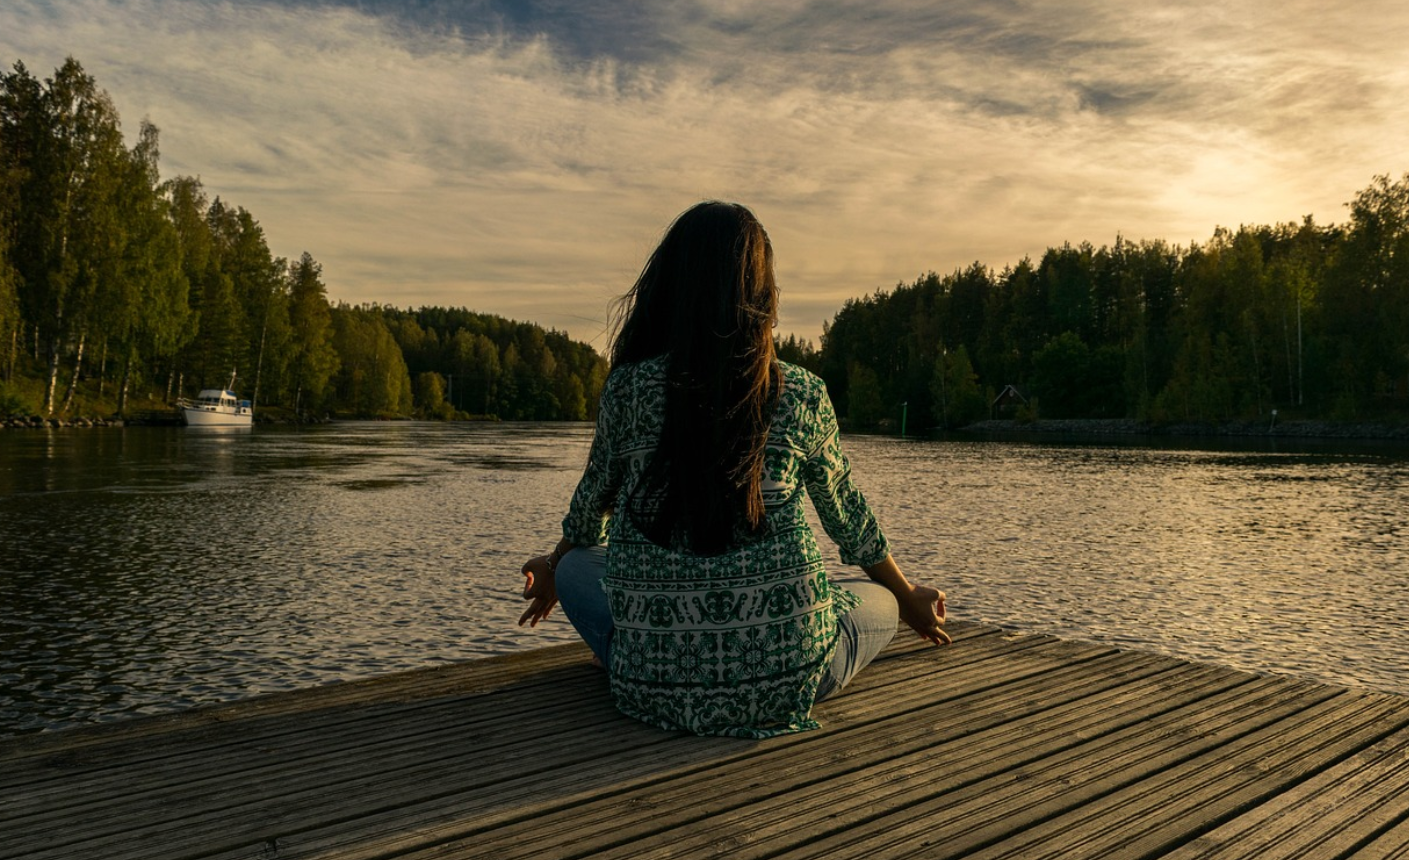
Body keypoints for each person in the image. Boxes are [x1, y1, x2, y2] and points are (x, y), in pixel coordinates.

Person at [519, 201, 948, 738]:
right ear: (762, 294)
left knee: (580, 565)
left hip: (651, 687)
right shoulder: (802, 392)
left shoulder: (628, 388)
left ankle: (646, 654)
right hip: (791, 678)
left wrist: (556, 565)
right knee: (879, 598)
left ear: (670, 286)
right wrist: (909, 599)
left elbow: (588, 513)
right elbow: (849, 521)